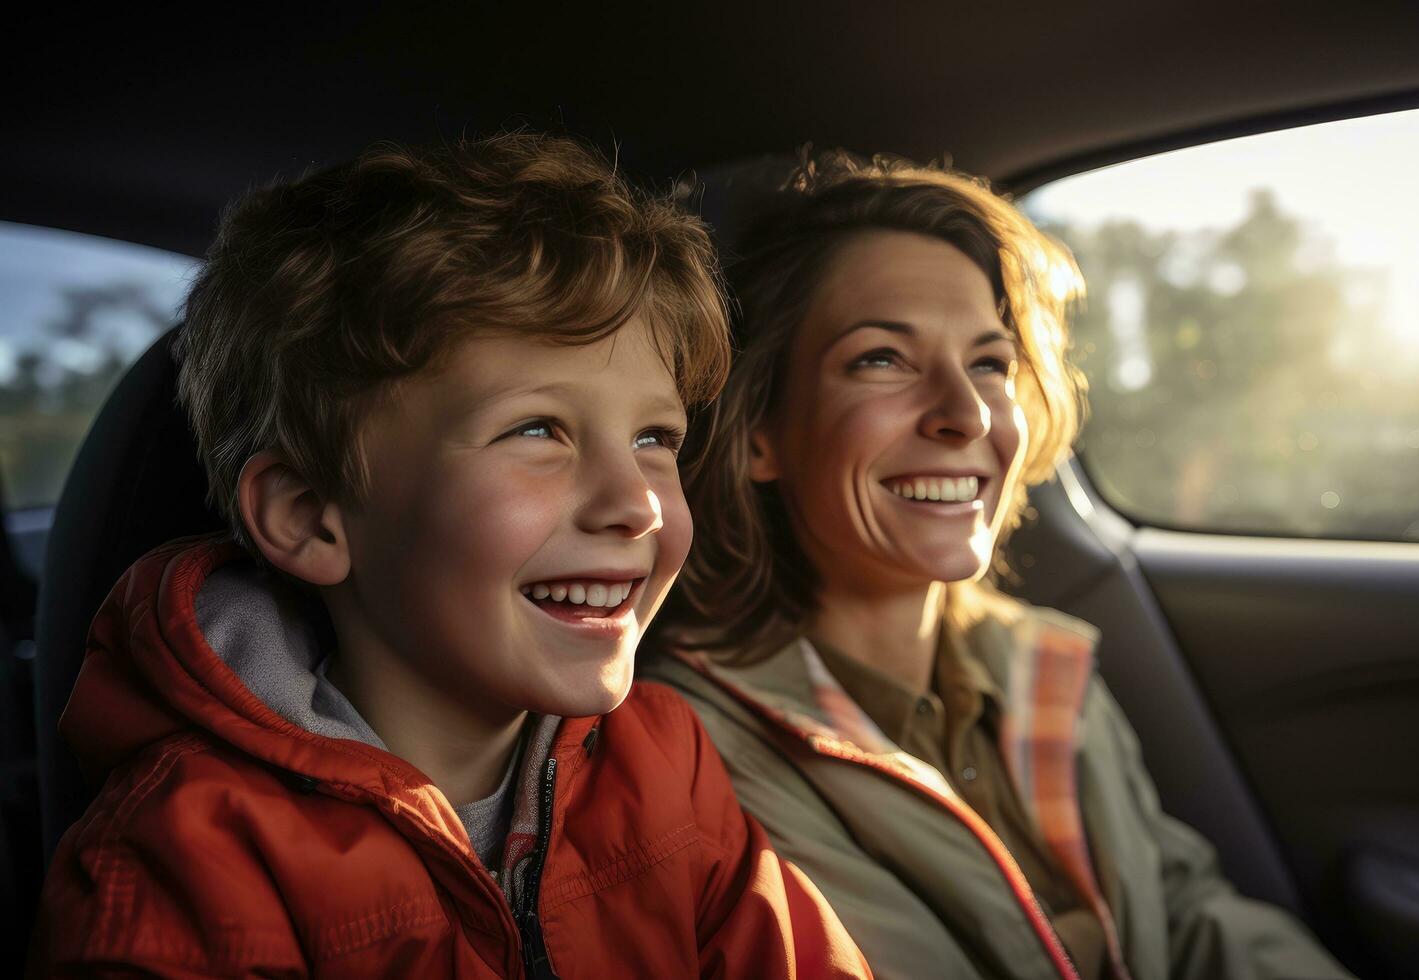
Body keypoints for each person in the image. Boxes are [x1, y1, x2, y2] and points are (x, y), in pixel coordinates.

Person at [26, 135, 869, 978]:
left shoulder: (663, 766)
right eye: (537, 430)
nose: (638, 503)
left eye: (655, 437)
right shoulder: (187, 865)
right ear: (311, 518)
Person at [646, 151, 1352, 980]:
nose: (967, 412)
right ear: (759, 431)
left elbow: (1185, 910)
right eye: (883, 358)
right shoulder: (695, 755)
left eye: (989, 362)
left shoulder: (1044, 665)